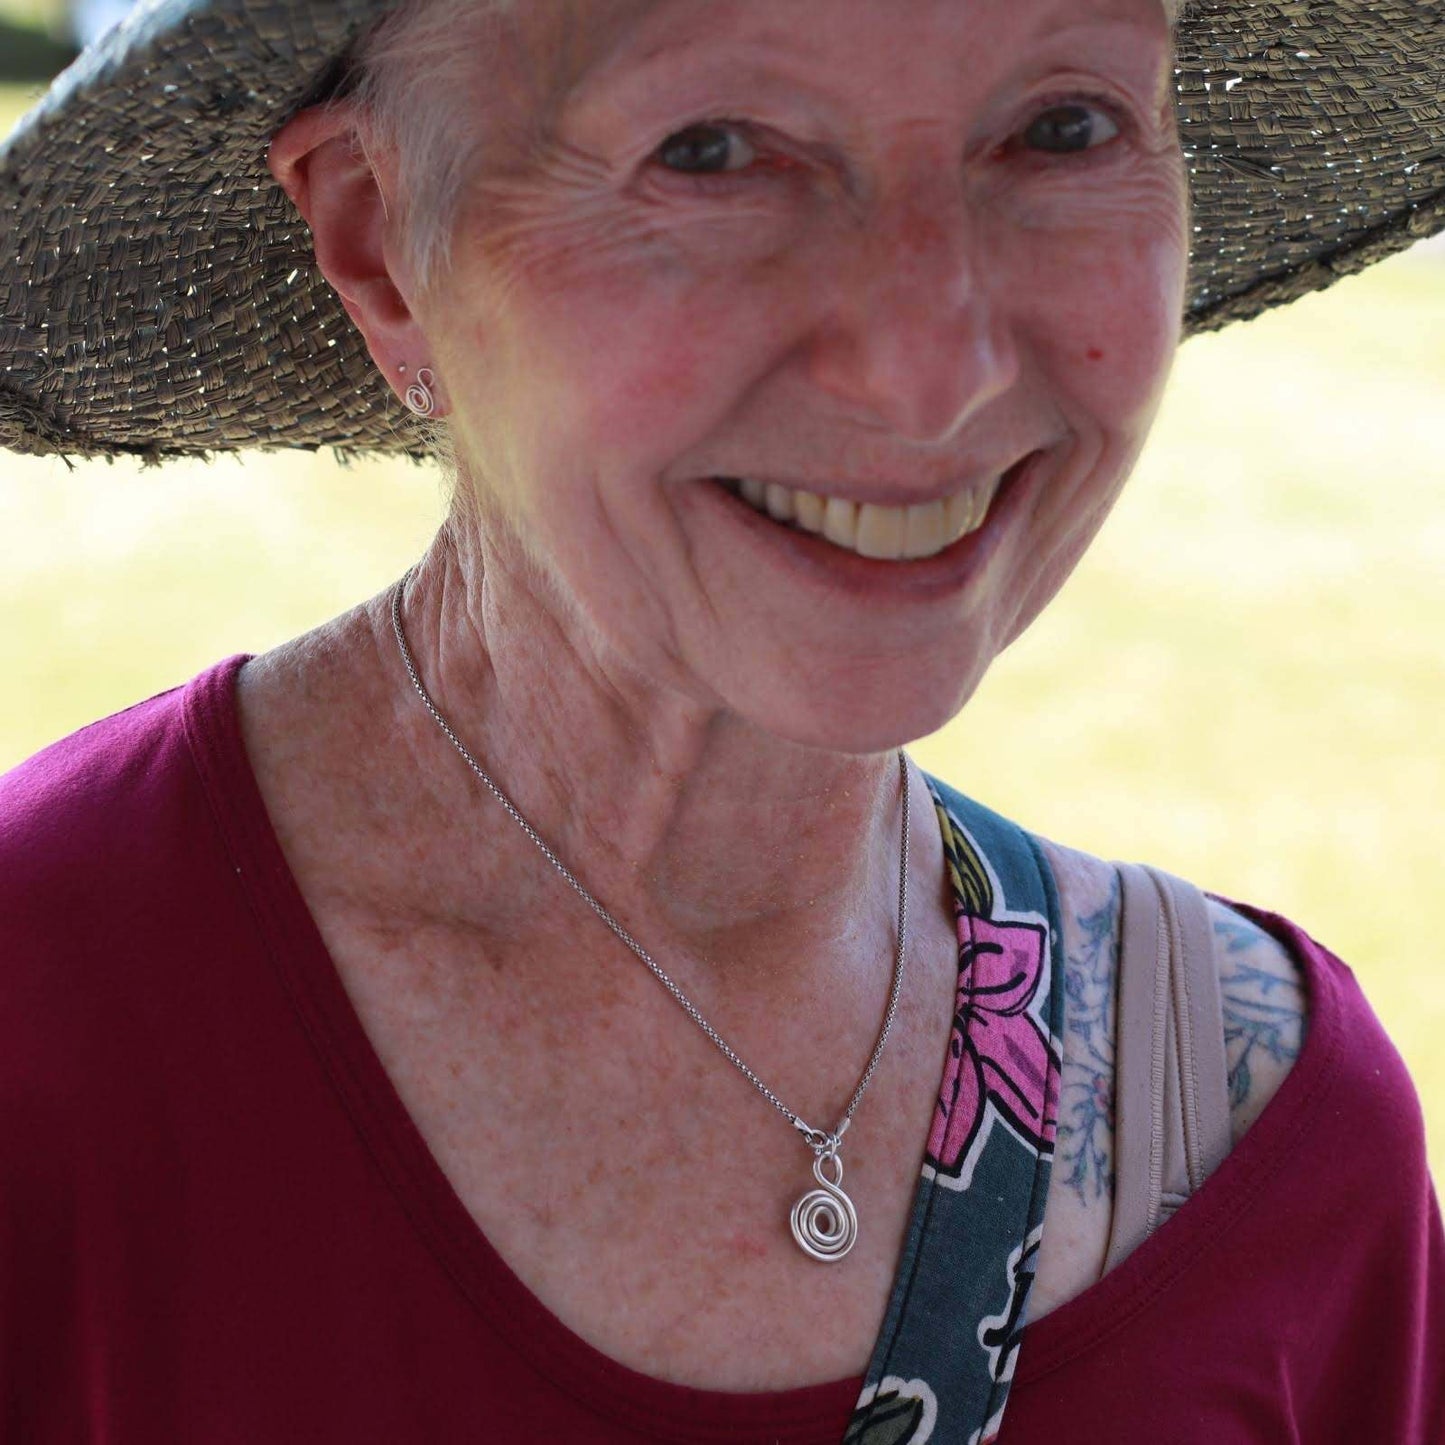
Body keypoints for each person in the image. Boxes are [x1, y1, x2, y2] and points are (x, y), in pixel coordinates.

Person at [0, 0, 1441, 1440]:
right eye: (712, 151)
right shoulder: (49, 1029)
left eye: (1062, 126)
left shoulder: (1265, 1145)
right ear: (380, 243)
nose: (930, 375)